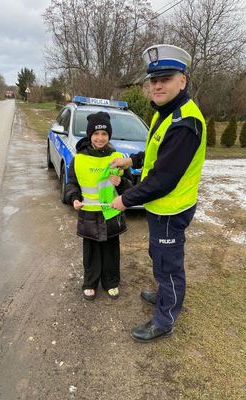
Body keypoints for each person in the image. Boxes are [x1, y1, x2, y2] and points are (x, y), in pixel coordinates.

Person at [110, 44, 207, 342]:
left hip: (171, 208)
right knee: (159, 256)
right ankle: (166, 294)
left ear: (183, 81)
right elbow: (155, 151)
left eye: (165, 78)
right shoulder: (166, 113)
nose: (158, 85)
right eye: (153, 80)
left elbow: (163, 178)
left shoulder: (185, 123)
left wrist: (125, 199)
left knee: (168, 262)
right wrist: (131, 160)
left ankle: (165, 318)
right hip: (159, 207)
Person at [65, 111, 132, 301]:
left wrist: (120, 182)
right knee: (91, 250)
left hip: (111, 213)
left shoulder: (117, 157)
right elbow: (72, 183)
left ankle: (111, 282)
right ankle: (90, 283)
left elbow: (129, 186)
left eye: (104, 134)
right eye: (96, 134)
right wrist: (73, 198)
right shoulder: (79, 159)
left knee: (111, 249)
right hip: (89, 213)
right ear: (89, 135)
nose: (100, 138)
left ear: (109, 135)